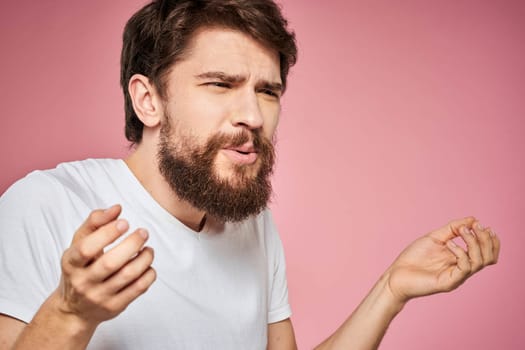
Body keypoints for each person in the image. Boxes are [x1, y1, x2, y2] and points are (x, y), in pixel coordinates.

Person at [0, 0, 500, 349]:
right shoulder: (46, 205)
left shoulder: (249, 224)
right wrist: (70, 314)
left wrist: (392, 289)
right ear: (148, 99)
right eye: (220, 84)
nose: (255, 116)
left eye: (268, 91)